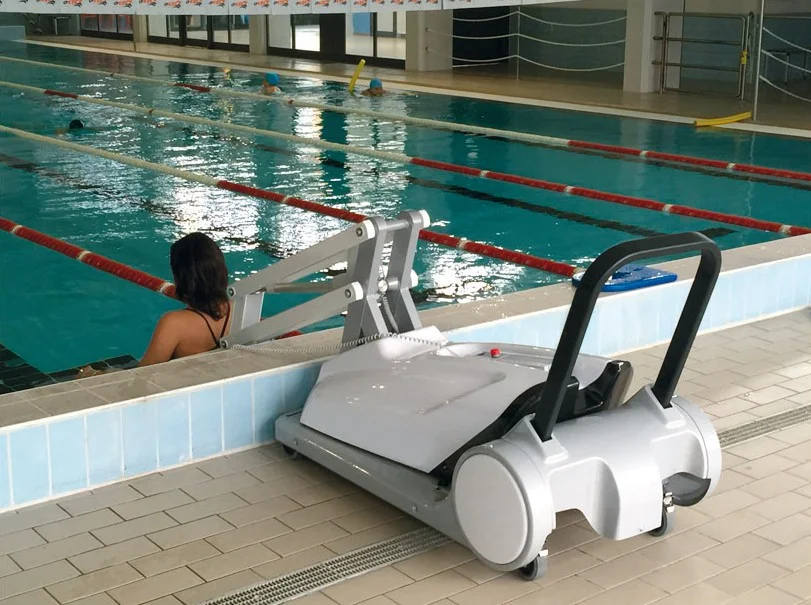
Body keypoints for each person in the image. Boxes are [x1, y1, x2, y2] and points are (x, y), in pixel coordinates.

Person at [77, 233, 232, 378]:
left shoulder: (174, 324)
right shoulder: (239, 310)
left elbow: (141, 379)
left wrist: (94, 375)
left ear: (181, 276)